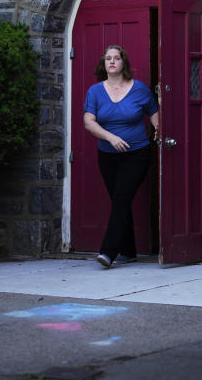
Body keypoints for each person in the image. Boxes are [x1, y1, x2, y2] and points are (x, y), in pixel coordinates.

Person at [83, 44, 159, 269]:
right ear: (104, 64)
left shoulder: (140, 89)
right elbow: (89, 122)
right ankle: (129, 250)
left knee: (121, 199)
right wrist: (110, 138)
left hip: (137, 153)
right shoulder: (95, 92)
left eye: (117, 58)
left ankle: (108, 252)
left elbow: (154, 111)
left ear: (124, 62)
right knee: (119, 200)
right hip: (107, 155)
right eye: (108, 58)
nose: (112, 61)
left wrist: (158, 129)